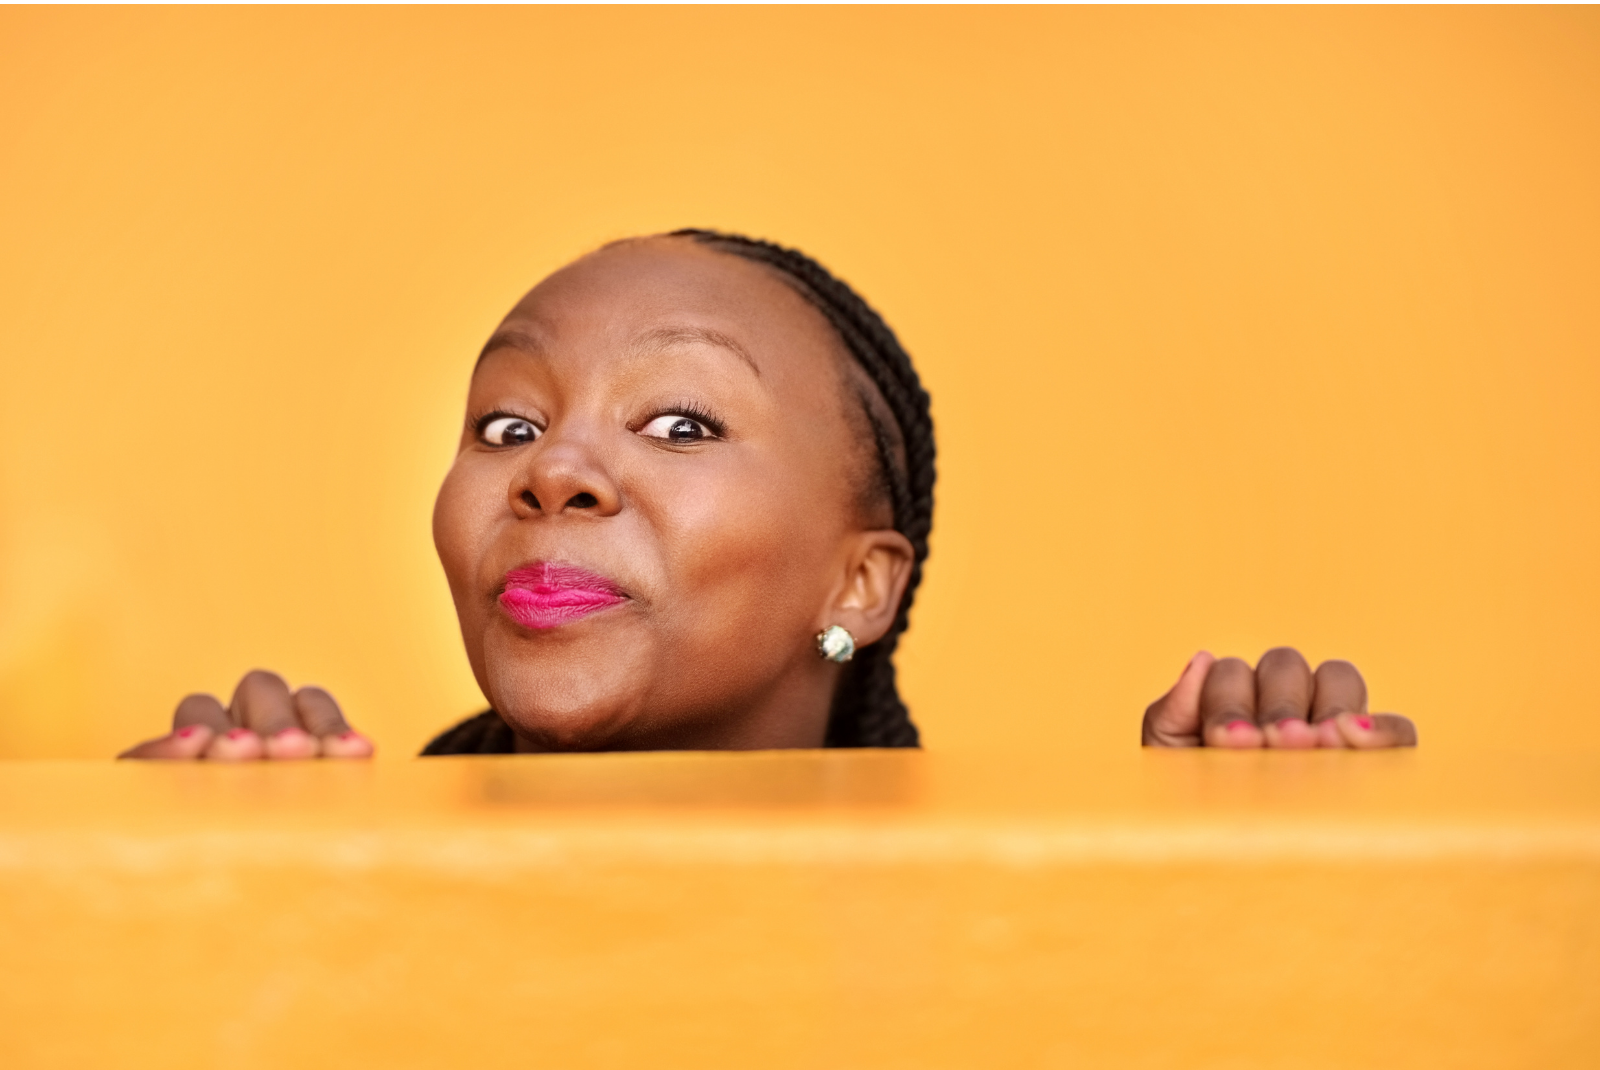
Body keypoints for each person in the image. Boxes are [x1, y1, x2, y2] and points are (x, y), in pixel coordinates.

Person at [118, 230, 1417, 761]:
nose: (551, 470)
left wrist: (1230, 898)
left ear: (857, 586)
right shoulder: (346, 891)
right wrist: (188, 909)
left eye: (680, 420)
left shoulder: (982, 941)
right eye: (507, 422)